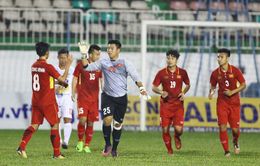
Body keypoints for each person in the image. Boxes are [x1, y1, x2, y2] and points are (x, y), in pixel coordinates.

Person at [79, 39, 149, 157]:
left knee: (117, 124)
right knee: (107, 120)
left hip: (121, 98)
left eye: (112, 48)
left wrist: (141, 89)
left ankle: (115, 149)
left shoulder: (125, 62)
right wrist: (83, 54)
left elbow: (135, 77)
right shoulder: (103, 62)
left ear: (118, 50)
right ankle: (108, 145)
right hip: (107, 96)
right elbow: (86, 67)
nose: (109, 50)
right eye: (108, 48)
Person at [17, 42, 72, 159]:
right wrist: (68, 66)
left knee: (34, 125)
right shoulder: (48, 67)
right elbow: (63, 81)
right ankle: (57, 154)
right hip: (48, 102)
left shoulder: (34, 66)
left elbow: (45, 81)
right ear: (47, 53)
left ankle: (21, 147)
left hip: (36, 101)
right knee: (55, 125)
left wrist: (56, 81)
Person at [208, 48, 246, 157]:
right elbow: (213, 86)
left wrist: (232, 92)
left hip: (234, 103)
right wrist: (211, 92)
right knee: (222, 126)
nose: (219, 59)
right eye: (218, 57)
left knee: (235, 130)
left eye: (221, 57)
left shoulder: (235, 70)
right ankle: (226, 151)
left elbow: (243, 85)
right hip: (222, 103)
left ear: (227, 58)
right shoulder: (215, 73)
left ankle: (235, 141)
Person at [152, 49, 190, 155]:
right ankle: (169, 150)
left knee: (179, 130)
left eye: (172, 58)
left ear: (176, 60)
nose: (170, 60)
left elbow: (187, 84)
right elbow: (154, 87)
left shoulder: (182, 72)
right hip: (165, 105)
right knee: (165, 129)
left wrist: (183, 93)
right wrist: (161, 91)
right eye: (168, 58)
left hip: (178, 105)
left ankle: (177, 137)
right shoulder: (161, 73)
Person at [72, 44, 102, 153]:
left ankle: (87, 145)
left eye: (99, 54)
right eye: (97, 54)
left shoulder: (99, 66)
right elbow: (75, 79)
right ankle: (80, 141)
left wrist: (105, 90)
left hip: (94, 99)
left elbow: (102, 80)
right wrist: (73, 92)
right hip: (83, 98)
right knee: (82, 119)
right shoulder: (81, 65)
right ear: (90, 54)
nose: (98, 56)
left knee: (90, 122)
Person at [55, 48, 74, 149]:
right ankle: (59, 140)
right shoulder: (54, 69)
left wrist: (74, 94)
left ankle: (65, 142)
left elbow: (74, 82)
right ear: (58, 57)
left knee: (67, 119)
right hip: (56, 97)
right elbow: (51, 82)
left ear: (68, 58)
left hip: (67, 97)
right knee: (56, 121)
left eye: (65, 58)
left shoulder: (72, 69)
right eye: (61, 58)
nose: (63, 60)